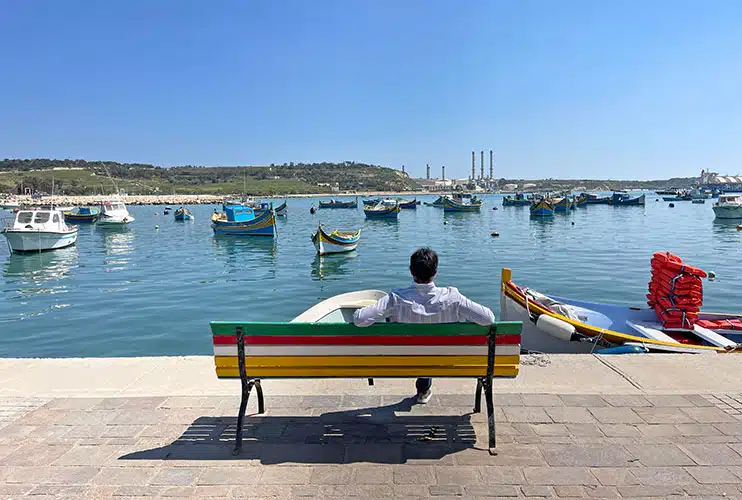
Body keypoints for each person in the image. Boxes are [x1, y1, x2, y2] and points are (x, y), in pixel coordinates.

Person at [352, 247, 494, 404]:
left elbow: (359, 320)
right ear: (435, 272)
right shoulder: (453, 297)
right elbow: (488, 318)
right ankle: (424, 389)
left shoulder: (395, 298)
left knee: (408, 337)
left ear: (411, 271)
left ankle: (423, 388)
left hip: (402, 361)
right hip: (449, 361)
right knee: (432, 347)